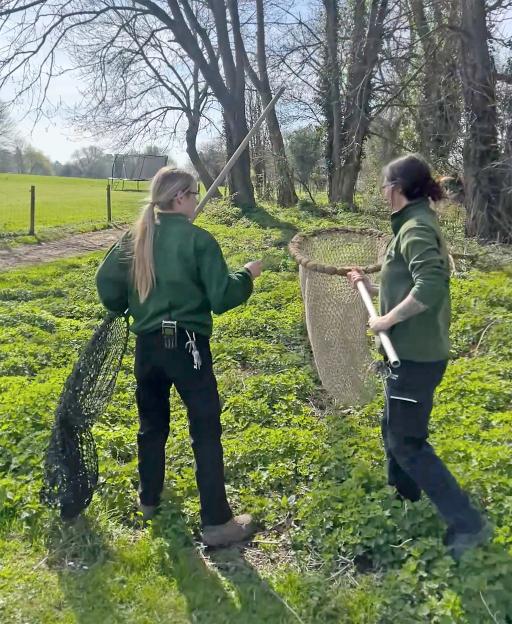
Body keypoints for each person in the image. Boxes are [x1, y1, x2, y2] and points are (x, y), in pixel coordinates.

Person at [96, 167, 262, 547]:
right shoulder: (199, 241)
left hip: (148, 348)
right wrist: (248, 275)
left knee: (151, 425)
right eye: (195, 192)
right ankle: (217, 523)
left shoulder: (134, 238)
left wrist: (131, 307)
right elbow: (222, 297)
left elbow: (106, 285)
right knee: (205, 429)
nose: (196, 198)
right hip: (187, 347)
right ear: (181, 198)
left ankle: (149, 499)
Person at [348, 154, 490, 560]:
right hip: (406, 355)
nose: (381, 193)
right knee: (391, 425)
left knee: (408, 442)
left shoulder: (414, 228)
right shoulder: (412, 225)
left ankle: (468, 524)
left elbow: (430, 285)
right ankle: (404, 493)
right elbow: (405, 283)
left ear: (395, 189)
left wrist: (387, 320)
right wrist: (370, 287)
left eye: (381, 187)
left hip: (415, 357)